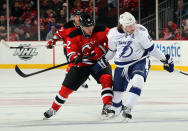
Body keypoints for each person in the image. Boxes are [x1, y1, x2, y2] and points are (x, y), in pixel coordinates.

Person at [104, 12, 174, 120]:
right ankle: (117, 108)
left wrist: (165, 59)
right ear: (122, 25)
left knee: (138, 80)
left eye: (133, 24)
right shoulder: (112, 34)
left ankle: (128, 108)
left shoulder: (140, 31)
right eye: (129, 25)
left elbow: (152, 49)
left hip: (139, 61)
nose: (132, 27)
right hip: (122, 65)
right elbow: (112, 51)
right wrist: (103, 60)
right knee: (117, 99)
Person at [43, 12, 114, 120]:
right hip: (82, 66)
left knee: (107, 79)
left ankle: (107, 107)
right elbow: (71, 53)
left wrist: (101, 49)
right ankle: (53, 109)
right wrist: (76, 57)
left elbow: (113, 42)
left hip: (99, 63)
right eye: (87, 27)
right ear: (81, 26)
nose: (90, 29)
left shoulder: (103, 30)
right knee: (66, 89)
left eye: (91, 26)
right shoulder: (73, 35)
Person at [46, 10, 88, 88]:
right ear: (74, 17)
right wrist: (52, 42)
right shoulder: (67, 26)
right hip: (70, 49)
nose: (78, 18)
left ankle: (80, 80)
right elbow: (58, 34)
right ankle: (69, 80)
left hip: (82, 49)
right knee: (73, 65)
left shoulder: (85, 25)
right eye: (77, 17)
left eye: (80, 16)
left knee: (82, 66)